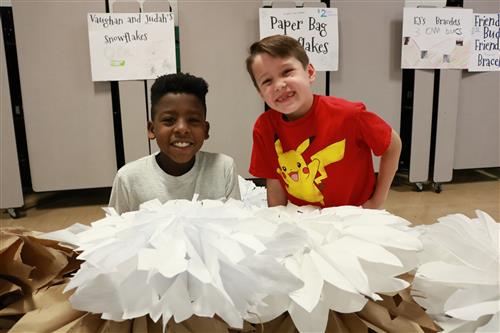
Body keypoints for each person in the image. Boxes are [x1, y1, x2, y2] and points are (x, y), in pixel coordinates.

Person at [246, 35, 401, 209]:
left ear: (310, 72)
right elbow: (274, 179)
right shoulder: (264, 127)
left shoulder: (349, 115)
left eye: (287, 72)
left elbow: (392, 144)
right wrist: (278, 218)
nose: (279, 85)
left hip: (355, 215)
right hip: (302, 216)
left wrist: (377, 200)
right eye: (267, 81)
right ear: (260, 93)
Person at [109, 72, 240, 214]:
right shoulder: (129, 178)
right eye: (169, 120)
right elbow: (115, 231)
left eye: (193, 120)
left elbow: (236, 225)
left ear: (205, 129)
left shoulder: (223, 168)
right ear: (152, 129)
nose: (182, 129)